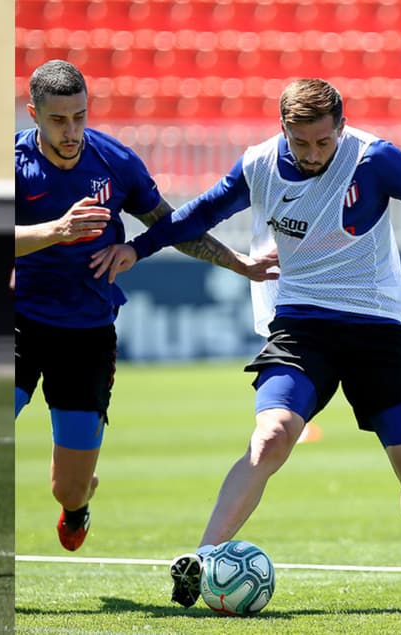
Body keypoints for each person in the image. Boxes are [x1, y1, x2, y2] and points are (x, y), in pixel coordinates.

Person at [91, 78, 401, 603]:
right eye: (301, 143)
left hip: (375, 327)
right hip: (301, 325)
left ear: (341, 127)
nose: (312, 153)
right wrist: (139, 248)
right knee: (271, 436)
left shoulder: (375, 160)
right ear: (283, 129)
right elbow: (200, 212)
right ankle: (202, 560)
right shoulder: (259, 163)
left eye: (323, 142)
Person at [14, 60, 275, 553]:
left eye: (79, 117)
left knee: (67, 488)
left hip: (87, 334)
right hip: (20, 323)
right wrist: (55, 231)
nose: (71, 131)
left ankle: (77, 503)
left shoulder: (115, 162)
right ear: (33, 114)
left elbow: (171, 226)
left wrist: (238, 263)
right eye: (58, 120)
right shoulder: (14, 165)